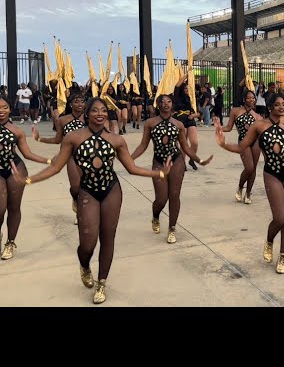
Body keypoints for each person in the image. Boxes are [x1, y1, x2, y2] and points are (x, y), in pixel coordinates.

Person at [10, 97, 172, 304]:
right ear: (87, 114)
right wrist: (28, 179)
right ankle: (85, 265)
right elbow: (55, 167)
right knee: (87, 242)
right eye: (94, 110)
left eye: (103, 110)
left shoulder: (116, 140)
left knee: (108, 237)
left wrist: (158, 174)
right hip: (88, 191)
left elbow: (131, 168)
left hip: (112, 190)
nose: (99, 114)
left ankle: (102, 282)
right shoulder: (73, 138)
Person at [214, 94, 284, 274]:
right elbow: (241, 147)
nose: (281, 107)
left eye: (283, 104)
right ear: (270, 108)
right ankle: (269, 241)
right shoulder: (259, 126)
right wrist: (223, 144)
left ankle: (282, 255)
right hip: (272, 174)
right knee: (279, 218)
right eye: (277, 105)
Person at [131, 94, 213, 243]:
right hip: (159, 162)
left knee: (174, 195)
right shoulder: (150, 123)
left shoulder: (179, 124)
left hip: (176, 161)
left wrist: (199, 160)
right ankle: (155, 216)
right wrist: (129, 159)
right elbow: (143, 145)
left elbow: (186, 148)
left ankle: (172, 228)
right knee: (161, 199)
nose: (166, 104)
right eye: (162, 102)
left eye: (169, 101)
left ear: (172, 104)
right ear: (158, 105)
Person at [0, 96, 53, 260]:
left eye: (4, 107)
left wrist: (50, 160)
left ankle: (10, 242)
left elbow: (27, 154)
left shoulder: (17, 131)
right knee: (0, 210)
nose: (1, 111)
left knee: (14, 208)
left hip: (16, 169)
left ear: (10, 109)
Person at [33, 93, 87, 225]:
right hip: (71, 156)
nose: (80, 104)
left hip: (89, 156)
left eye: (82, 101)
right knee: (75, 187)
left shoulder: (90, 118)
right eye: (76, 101)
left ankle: (83, 213)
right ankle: (75, 200)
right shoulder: (62, 120)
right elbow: (57, 140)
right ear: (70, 104)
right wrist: (39, 139)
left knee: (88, 188)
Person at [222, 90, 262, 204]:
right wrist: (219, 128)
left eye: (253, 98)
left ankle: (248, 193)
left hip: (255, 143)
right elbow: (229, 127)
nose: (251, 100)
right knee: (249, 167)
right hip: (243, 142)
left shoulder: (258, 116)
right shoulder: (235, 111)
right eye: (249, 98)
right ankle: (240, 187)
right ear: (244, 99)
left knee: (253, 169)